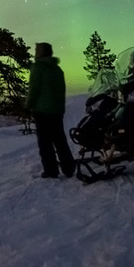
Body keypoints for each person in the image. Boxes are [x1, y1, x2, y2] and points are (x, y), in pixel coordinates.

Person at [25, 42, 76, 179]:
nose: (34, 52)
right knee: (60, 140)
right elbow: (61, 91)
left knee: (45, 143)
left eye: (36, 50)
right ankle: (69, 167)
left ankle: (51, 170)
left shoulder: (38, 67)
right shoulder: (57, 69)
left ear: (41, 52)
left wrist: (27, 107)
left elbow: (34, 90)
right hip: (56, 111)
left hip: (42, 111)